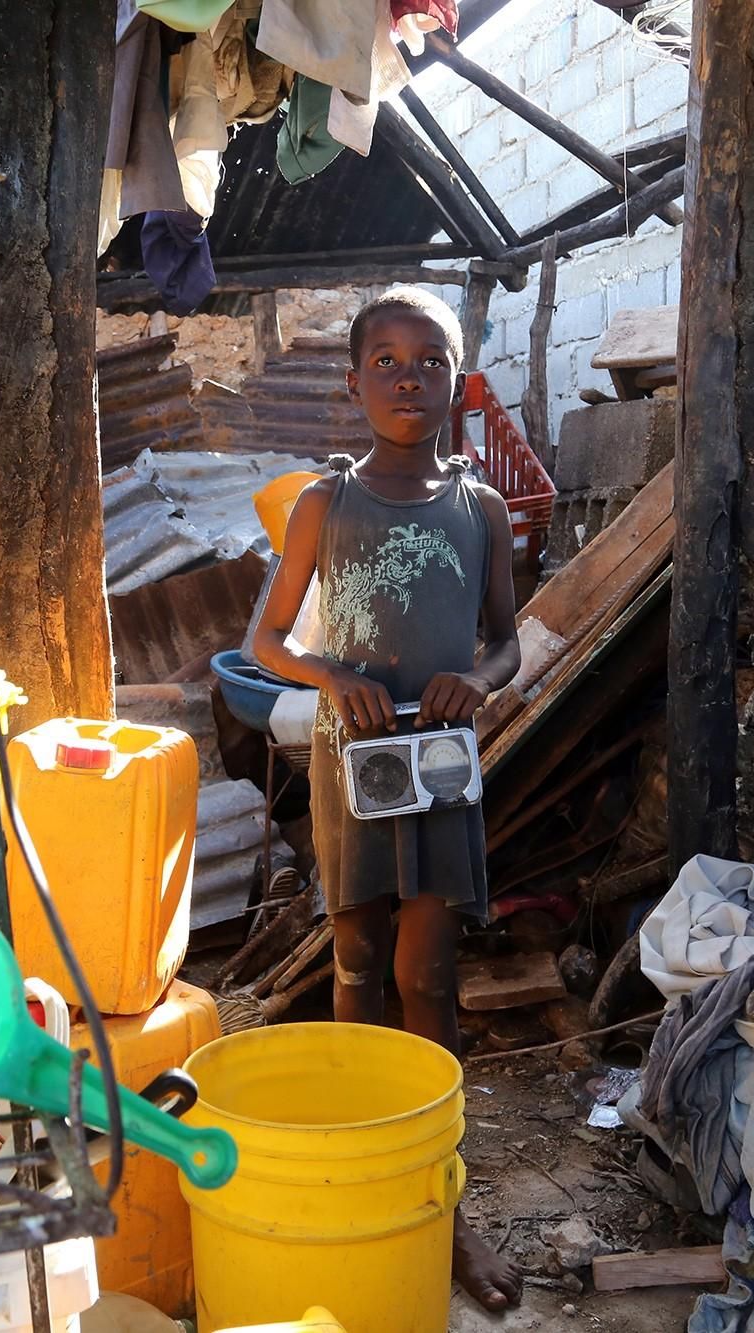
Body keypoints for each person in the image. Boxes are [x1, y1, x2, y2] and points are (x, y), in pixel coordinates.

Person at [251, 286, 526, 1311]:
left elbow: (503, 637)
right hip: (354, 759)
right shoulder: (326, 504)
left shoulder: (480, 507)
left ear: (458, 378)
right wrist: (335, 675)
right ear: (352, 379)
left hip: (440, 763)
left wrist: (481, 680)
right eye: (387, 361)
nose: (408, 379)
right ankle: (361, 1174)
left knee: (429, 975)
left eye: (430, 361)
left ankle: (443, 1209)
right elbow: (262, 642)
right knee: (356, 967)